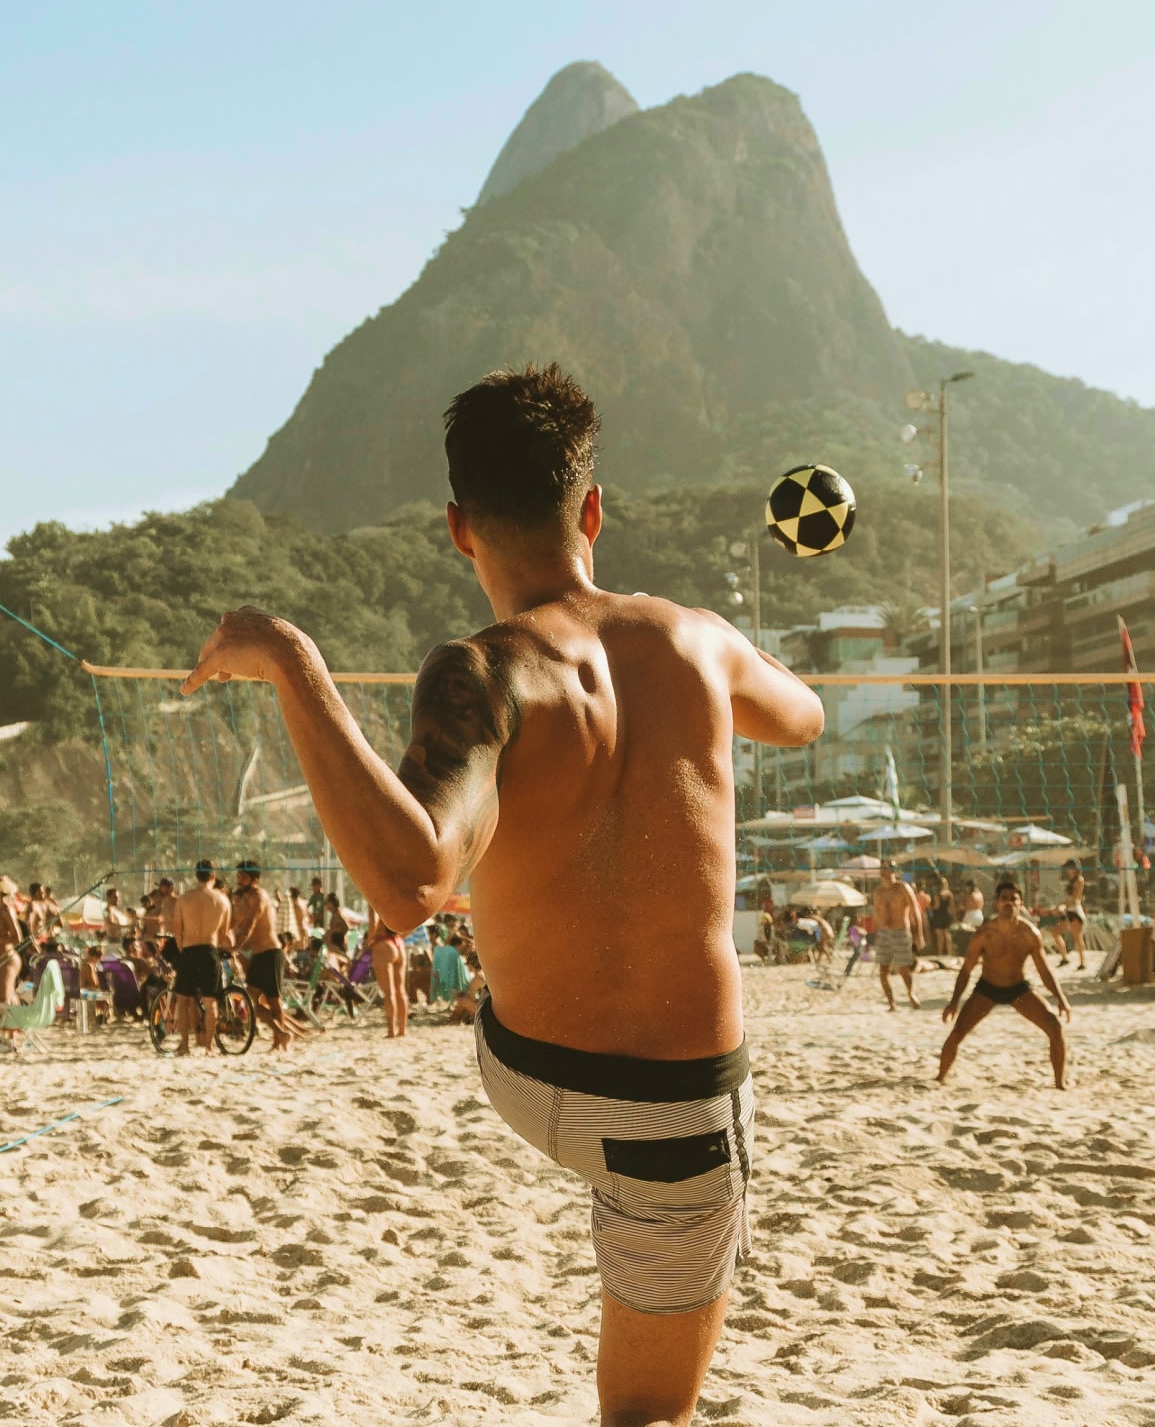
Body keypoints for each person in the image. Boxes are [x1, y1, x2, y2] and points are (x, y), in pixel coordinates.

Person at [181, 361, 824, 1427]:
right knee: (648, 1417)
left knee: (518, 853)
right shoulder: (699, 641)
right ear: (595, 510)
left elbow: (414, 880)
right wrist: (705, 676)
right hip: (676, 1115)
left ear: (456, 527)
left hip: (525, 1071)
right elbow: (799, 717)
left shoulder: (484, 674)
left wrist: (290, 658)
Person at [938, 880, 1071, 1088]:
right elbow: (966, 970)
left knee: (1054, 1026)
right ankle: (940, 1078)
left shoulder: (1030, 934)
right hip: (987, 988)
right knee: (958, 1031)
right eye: (1004, 899)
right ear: (997, 904)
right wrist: (954, 1002)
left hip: (1018, 989)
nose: (1008, 903)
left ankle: (1060, 1083)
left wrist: (1061, 999)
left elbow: (1044, 971)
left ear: (1020, 904)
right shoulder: (984, 934)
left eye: (1013, 899)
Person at [232, 861, 303, 1052]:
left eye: (243, 877)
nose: (239, 880)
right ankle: (281, 1034)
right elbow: (236, 921)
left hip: (271, 953)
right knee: (253, 1001)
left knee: (273, 1001)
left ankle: (279, 1040)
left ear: (254, 879)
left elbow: (249, 925)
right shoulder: (245, 897)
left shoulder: (259, 896)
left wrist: (235, 947)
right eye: (238, 876)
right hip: (259, 955)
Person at [172, 861, 230, 1057]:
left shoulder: (184, 899)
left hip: (189, 951)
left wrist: (184, 950)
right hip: (209, 950)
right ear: (213, 876)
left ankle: (184, 1045)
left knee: (183, 1001)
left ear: (196, 876)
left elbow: (177, 931)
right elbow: (223, 932)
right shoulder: (223, 901)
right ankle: (209, 1046)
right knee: (210, 1001)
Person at [872, 865, 925, 1010]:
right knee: (883, 969)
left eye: (887, 868)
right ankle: (891, 1003)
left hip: (901, 930)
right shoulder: (878, 892)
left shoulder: (902, 888)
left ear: (893, 871)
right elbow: (876, 913)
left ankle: (910, 993)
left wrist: (919, 935)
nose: (884, 871)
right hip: (884, 933)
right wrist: (877, 930)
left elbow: (915, 910)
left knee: (903, 968)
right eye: (882, 868)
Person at [1059, 860, 1088, 971]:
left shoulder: (1079, 880)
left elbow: (1076, 898)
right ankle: (1074, 960)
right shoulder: (1072, 881)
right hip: (1069, 909)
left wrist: (1064, 904)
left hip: (1075, 910)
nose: (1068, 871)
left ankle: (1082, 962)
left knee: (1078, 937)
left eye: (1070, 868)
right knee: (1061, 933)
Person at [0, 878, 24, 1008]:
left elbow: (17, 939)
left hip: (8, 959)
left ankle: (15, 1026)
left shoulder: (7, 911)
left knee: (5, 998)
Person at [930, 879, 954, 958]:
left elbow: (937, 906)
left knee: (940, 937)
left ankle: (940, 954)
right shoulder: (949, 894)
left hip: (939, 916)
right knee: (947, 935)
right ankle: (949, 953)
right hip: (946, 915)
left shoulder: (938, 895)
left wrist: (930, 908)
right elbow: (952, 906)